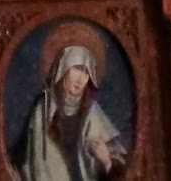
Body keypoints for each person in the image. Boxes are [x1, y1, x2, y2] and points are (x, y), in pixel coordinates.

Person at [15, 45, 127, 180]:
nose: (81, 79)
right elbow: (32, 161)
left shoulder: (93, 113)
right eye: (77, 68)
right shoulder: (43, 108)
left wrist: (106, 161)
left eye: (86, 72)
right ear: (63, 68)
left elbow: (119, 167)